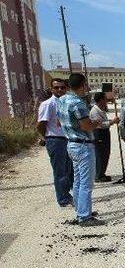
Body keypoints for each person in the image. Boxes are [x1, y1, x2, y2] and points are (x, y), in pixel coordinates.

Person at [57, 73, 104, 226]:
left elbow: (59, 122)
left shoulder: (62, 100)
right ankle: (84, 216)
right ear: (83, 84)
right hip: (83, 145)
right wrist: (96, 122)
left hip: (72, 144)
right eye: (86, 84)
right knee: (86, 183)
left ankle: (81, 209)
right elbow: (85, 125)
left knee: (77, 181)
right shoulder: (78, 102)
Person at [37, 78, 73, 206]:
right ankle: (63, 199)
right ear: (51, 89)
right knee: (60, 171)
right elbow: (41, 124)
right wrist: (46, 137)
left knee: (69, 169)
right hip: (56, 140)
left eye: (62, 87)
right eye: (56, 87)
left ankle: (67, 194)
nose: (60, 90)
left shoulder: (66, 102)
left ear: (66, 88)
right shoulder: (48, 104)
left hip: (67, 139)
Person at [90, 91, 119, 182]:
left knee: (105, 154)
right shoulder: (95, 111)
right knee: (100, 155)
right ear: (101, 100)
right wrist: (112, 122)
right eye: (105, 99)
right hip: (99, 133)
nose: (107, 100)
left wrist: (111, 121)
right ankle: (98, 175)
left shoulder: (100, 109)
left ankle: (102, 173)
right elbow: (100, 125)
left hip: (104, 133)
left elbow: (103, 121)